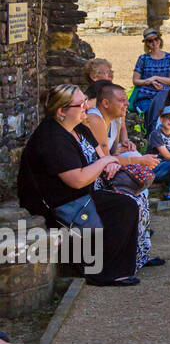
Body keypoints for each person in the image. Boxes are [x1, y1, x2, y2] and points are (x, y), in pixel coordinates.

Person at [16, 84, 144, 286]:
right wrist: (104, 163)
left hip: (79, 194)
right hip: (57, 205)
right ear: (62, 111)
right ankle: (103, 271)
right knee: (123, 207)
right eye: (82, 104)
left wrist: (107, 163)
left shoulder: (78, 128)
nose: (87, 106)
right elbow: (77, 180)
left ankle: (126, 263)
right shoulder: (52, 138)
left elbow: (99, 159)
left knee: (130, 200)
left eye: (86, 101)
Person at [85, 80, 164, 270]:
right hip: (92, 180)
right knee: (134, 199)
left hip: (102, 174)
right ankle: (132, 257)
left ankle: (140, 255)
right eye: (122, 100)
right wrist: (139, 161)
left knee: (141, 198)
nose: (127, 104)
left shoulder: (114, 117)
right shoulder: (95, 119)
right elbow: (105, 160)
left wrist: (127, 147)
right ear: (105, 103)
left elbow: (112, 154)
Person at [131, 29, 170, 115]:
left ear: (160, 39)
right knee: (151, 117)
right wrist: (150, 81)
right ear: (147, 44)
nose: (154, 42)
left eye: (156, 39)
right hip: (145, 96)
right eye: (150, 40)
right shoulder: (143, 59)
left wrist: (156, 78)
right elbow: (135, 81)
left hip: (165, 95)